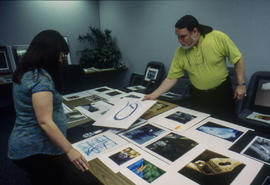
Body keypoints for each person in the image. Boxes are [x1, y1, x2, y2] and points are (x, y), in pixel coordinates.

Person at [8, 30, 101, 185]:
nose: (60, 59)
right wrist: (70, 150)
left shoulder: (26, 72)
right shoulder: (40, 79)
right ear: (49, 53)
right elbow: (45, 121)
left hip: (26, 144)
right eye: (59, 54)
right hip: (35, 148)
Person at [144, 15, 246, 121]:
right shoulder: (180, 52)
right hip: (198, 96)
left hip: (222, 93)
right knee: (198, 127)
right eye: (177, 37)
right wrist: (152, 95)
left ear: (195, 31)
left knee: (227, 127)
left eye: (183, 36)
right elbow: (171, 78)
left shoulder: (218, 37)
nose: (179, 40)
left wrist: (241, 84)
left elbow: (237, 59)